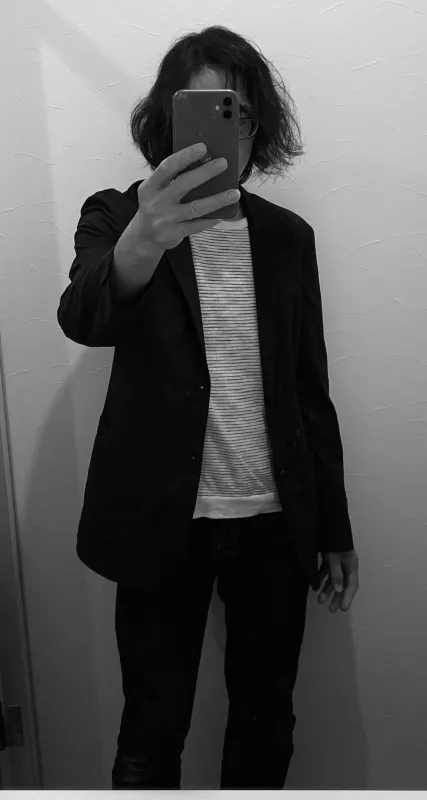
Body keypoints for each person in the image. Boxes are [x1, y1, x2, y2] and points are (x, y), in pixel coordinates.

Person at [57, 25, 359, 790]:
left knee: (266, 720)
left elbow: (308, 389)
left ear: (259, 128)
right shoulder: (117, 216)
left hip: (272, 523)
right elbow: (83, 318)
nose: (226, 131)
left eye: (239, 113)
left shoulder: (286, 238)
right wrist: (142, 239)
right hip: (160, 520)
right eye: (201, 110)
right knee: (151, 727)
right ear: (166, 120)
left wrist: (333, 526)